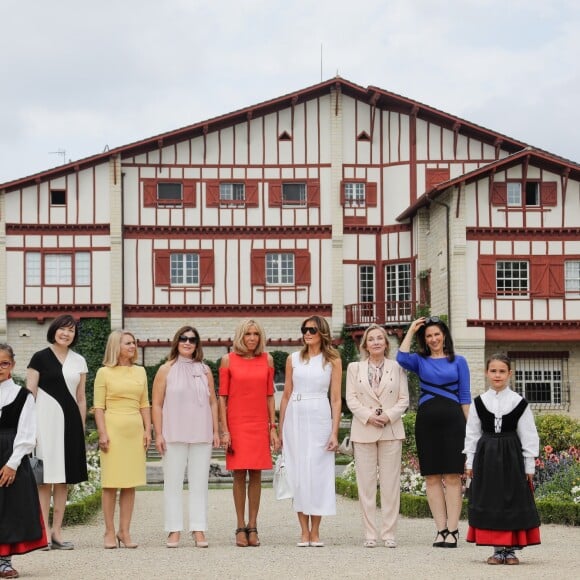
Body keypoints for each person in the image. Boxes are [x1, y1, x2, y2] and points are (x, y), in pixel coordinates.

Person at [396, 316, 471, 547]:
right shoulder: (419, 360)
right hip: (427, 423)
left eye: (437, 334)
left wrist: (471, 431)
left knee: (452, 476)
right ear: (425, 340)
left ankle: (454, 529)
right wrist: (411, 329)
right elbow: (400, 357)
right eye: (429, 336)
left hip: (454, 422)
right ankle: (440, 529)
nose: (434, 339)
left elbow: (465, 397)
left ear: (445, 336)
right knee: (431, 477)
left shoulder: (459, 361)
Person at [464, 353, 540, 565]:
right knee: (491, 499)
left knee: (512, 498)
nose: (497, 375)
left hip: (512, 456)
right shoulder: (479, 403)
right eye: (493, 371)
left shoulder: (519, 402)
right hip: (486, 456)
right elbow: (472, 434)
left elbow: (529, 434)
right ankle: (498, 550)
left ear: (509, 374)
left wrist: (529, 464)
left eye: (502, 371)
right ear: (487, 373)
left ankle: (511, 551)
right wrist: (469, 462)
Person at [152, 326, 220, 548]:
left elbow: (213, 401)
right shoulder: (165, 370)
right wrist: (158, 433)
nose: (187, 342)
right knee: (172, 483)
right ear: (176, 342)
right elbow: (157, 404)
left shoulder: (205, 370)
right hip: (173, 433)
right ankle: (174, 529)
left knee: (200, 483)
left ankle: (198, 528)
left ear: (197, 344)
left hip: (202, 432)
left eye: (192, 339)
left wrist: (217, 431)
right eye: (183, 338)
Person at [279, 316, 342, 547]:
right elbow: (286, 394)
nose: (307, 333)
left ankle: (316, 531)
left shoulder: (332, 360)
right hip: (295, 415)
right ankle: (303, 531)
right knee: (298, 473)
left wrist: (334, 432)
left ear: (321, 332)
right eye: (304, 329)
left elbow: (336, 400)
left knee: (318, 473)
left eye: (312, 329)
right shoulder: (292, 358)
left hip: (319, 415)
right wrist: (279, 428)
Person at [26, 314, 88, 550]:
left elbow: (81, 398)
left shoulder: (79, 360)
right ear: (54, 330)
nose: (66, 333)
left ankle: (57, 533)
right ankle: (42, 534)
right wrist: (29, 427)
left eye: (71, 330)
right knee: (44, 481)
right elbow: (30, 392)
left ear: (75, 335)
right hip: (43, 423)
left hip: (70, 424)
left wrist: (80, 428)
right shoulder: (39, 358)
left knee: (63, 480)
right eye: (63, 329)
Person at [345, 324, 409, 548]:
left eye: (379, 338)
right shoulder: (354, 368)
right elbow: (351, 399)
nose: (376, 342)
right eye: (371, 339)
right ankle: (370, 534)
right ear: (365, 345)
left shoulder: (397, 367)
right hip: (364, 430)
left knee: (391, 485)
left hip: (390, 430)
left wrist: (388, 416)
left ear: (386, 342)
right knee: (366, 484)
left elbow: (404, 399)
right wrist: (369, 416)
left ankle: (389, 533)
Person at [219, 319, 279, 548]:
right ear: (240, 336)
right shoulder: (228, 360)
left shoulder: (268, 359)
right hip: (236, 423)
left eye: (255, 334)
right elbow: (222, 397)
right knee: (237, 475)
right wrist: (225, 431)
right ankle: (240, 525)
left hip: (258, 424)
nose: (252, 338)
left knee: (255, 475)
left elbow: (269, 395)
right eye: (248, 334)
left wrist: (272, 428)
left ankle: (253, 526)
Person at [93, 330, 151, 549]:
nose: (133, 346)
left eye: (134, 342)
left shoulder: (141, 372)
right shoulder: (103, 373)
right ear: (116, 346)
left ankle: (124, 531)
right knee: (110, 483)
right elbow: (99, 406)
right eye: (128, 343)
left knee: (129, 484)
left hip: (134, 430)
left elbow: (145, 403)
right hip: (113, 429)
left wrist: (148, 430)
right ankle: (108, 532)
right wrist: (102, 433)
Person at [1, 343, 48, 579]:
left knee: (10, 508)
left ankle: (4, 562)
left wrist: (12, 463)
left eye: (4, 363)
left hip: (11, 455)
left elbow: (27, 433)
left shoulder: (22, 395)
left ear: (12, 365)